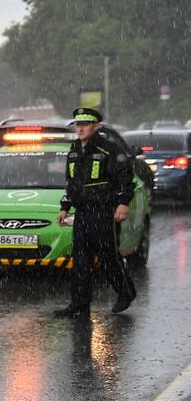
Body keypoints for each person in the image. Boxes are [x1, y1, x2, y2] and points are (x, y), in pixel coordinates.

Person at [54, 107, 137, 317]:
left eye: (85, 124)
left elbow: (125, 178)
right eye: (77, 125)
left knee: (108, 257)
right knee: (80, 260)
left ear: (96, 126)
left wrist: (123, 203)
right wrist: (65, 207)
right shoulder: (74, 150)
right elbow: (71, 183)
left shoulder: (109, 149)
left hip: (102, 211)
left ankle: (124, 293)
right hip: (82, 213)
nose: (80, 128)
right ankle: (80, 304)